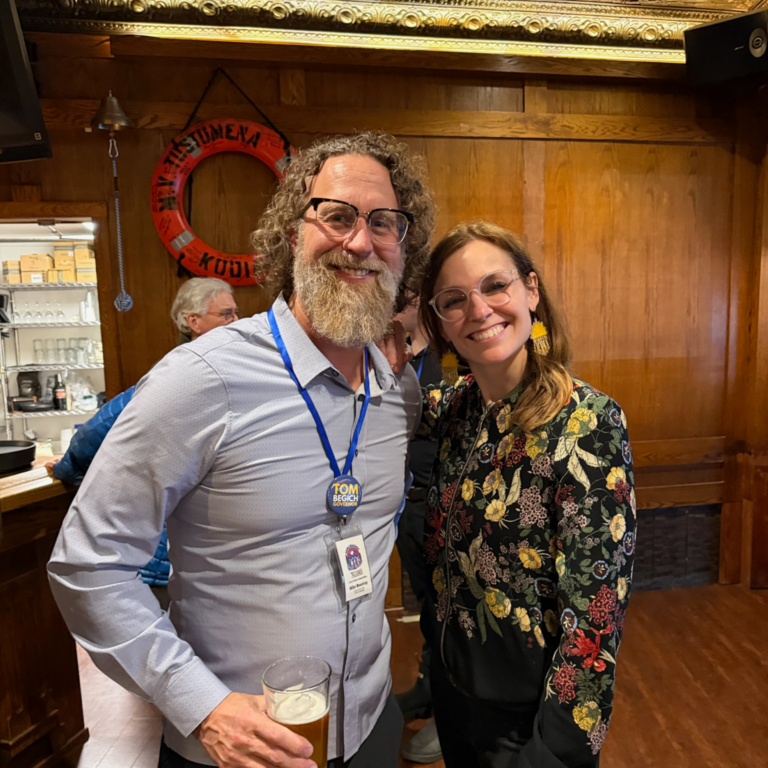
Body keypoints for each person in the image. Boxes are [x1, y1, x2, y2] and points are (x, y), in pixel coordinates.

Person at [47, 131, 435, 768]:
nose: (360, 241)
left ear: (401, 249)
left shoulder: (399, 394)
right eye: (335, 216)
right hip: (237, 749)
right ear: (292, 234)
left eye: (384, 223)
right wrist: (199, 704)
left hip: (368, 727)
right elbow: (88, 564)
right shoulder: (202, 379)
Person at [417, 221, 635, 767]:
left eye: (496, 286)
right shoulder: (451, 408)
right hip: (453, 693)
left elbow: (596, 609)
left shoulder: (587, 423)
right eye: (453, 300)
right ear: (439, 322)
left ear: (531, 292)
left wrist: (557, 747)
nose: (480, 309)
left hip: (529, 721)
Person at [47, 277, 239, 602]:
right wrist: (67, 468)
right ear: (193, 321)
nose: (237, 321)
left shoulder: (227, 367)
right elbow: (99, 428)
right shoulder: (182, 372)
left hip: (209, 555)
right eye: (226, 314)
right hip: (173, 556)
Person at [391, 292, 443, 764]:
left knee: (453, 617)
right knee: (429, 612)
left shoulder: (453, 352)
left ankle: (449, 719)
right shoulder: (396, 350)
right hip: (407, 504)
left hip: (445, 506)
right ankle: (428, 691)